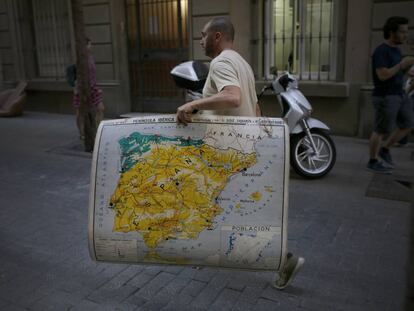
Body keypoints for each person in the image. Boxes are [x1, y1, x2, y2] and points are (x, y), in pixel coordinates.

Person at [176, 17, 304, 290]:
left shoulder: (221, 62)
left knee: (230, 210)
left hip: (226, 152)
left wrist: (194, 104)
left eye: (203, 35)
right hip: (241, 151)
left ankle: (283, 259)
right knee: (223, 206)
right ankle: (205, 249)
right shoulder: (242, 63)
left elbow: (233, 97)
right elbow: (255, 109)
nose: (200, 40)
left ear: (218, 36)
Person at [367, 16, 414, 173]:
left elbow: (397, 72)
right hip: (385, 96)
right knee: (381, 129)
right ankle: (372, 161)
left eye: (406, 32)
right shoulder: (381, 51)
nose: (405, 35)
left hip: (400, 94)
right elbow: (383, 75)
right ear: (392, 32)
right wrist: (401, 64)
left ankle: (385, 149)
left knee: (408, 124)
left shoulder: (397, 50)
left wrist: (408, 70)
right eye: (402, 32)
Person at [73, 38, 104, 140]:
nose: (91, 46)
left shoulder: (90, 57)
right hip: (82, 89)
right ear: (85, 46)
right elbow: (80, 75)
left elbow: (92, 75)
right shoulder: (80, 58)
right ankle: (82, 133)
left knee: (100, 108)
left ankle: (98, 131)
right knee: (80, 113)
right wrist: (80, 89)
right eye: (90, 44)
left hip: (93, 88)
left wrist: (96, 88)